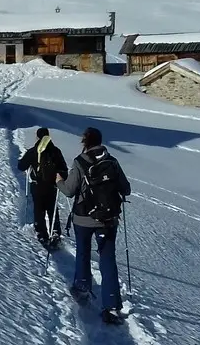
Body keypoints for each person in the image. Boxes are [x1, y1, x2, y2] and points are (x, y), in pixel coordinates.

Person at [56, 127, 131, 324]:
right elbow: (126, 189)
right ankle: (112, 306)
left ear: (85, 142)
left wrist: (59, 182)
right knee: (108, 259)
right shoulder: (111, 161)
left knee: (83, 252)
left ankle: (82, 288)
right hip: (108, 220)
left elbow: (70, 191)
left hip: (83, 219)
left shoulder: (80, 162)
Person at [17, 127, 68, 248]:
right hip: (52, 186)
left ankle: (41, 234)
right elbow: (64, 170)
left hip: (37, 185)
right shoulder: (56, 151)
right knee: (52, 210)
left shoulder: (34, 151)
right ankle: (55, 233)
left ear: (37, 137)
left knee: (39, 210)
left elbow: (21, 166)